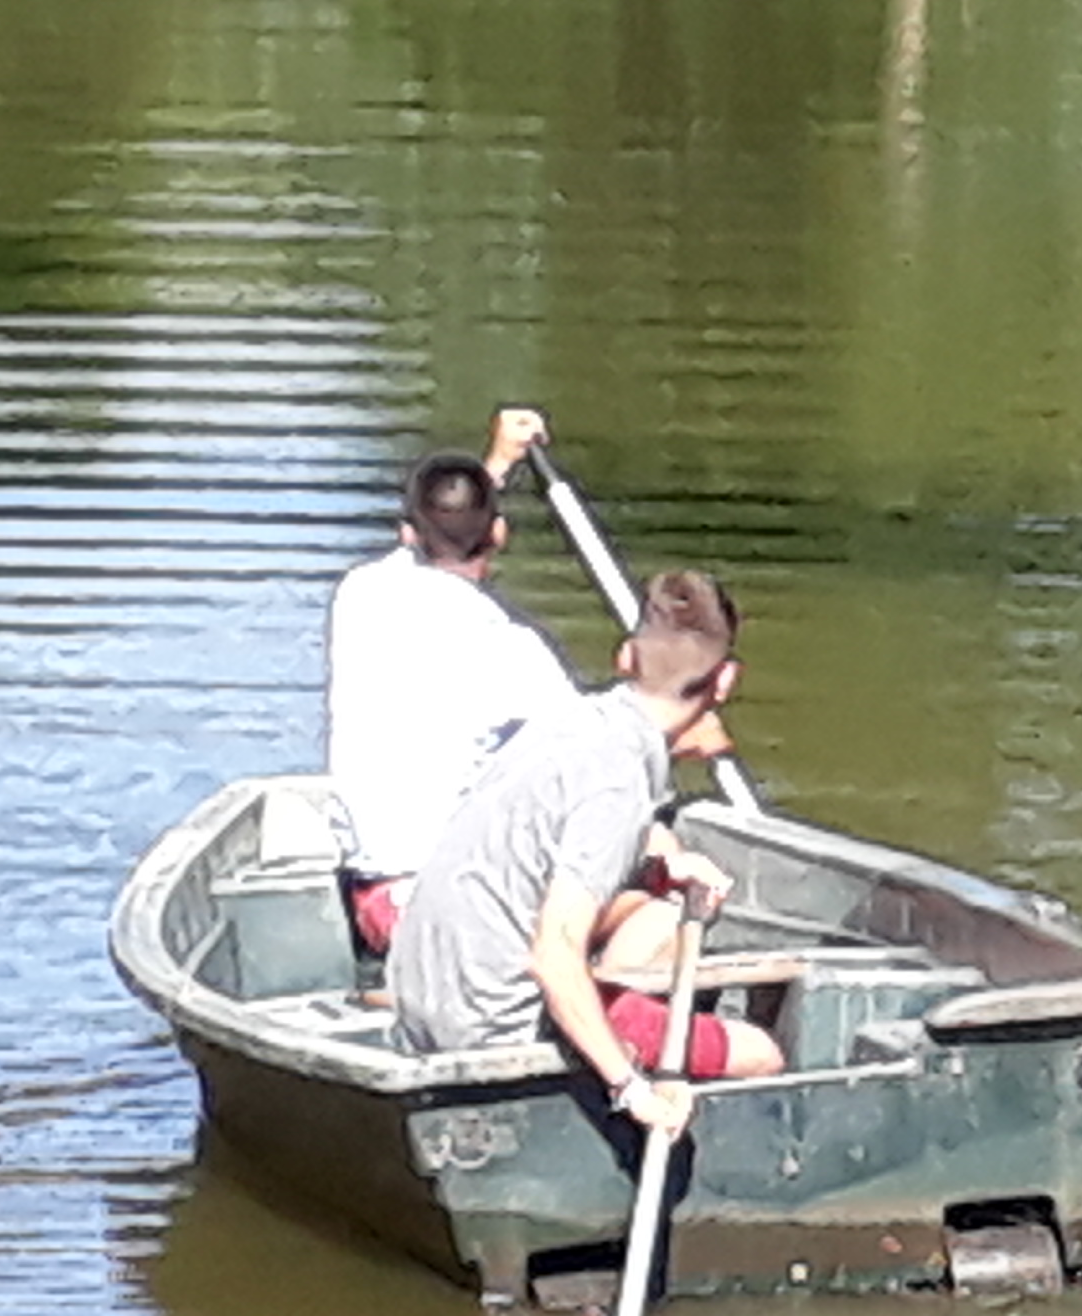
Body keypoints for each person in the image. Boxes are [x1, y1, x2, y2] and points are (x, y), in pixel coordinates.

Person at [389, 566, 788, 1128]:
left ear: (625, 658)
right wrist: (632, 1090)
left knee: (646, 930)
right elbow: (554, 958)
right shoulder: (617, 781)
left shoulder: (570, 723)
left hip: (422, 998)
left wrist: (656, 872)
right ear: (724, 681)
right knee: (761, 1054)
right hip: (493, 1024)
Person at [322, 407, 577, 953]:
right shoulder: (514, 652)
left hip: (373, 899)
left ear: (407, 533)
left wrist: (498, 464)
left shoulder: (361, 592)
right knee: (638, 889)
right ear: (499, 533)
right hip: (451, 912)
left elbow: (434, 535)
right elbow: (593, 754)